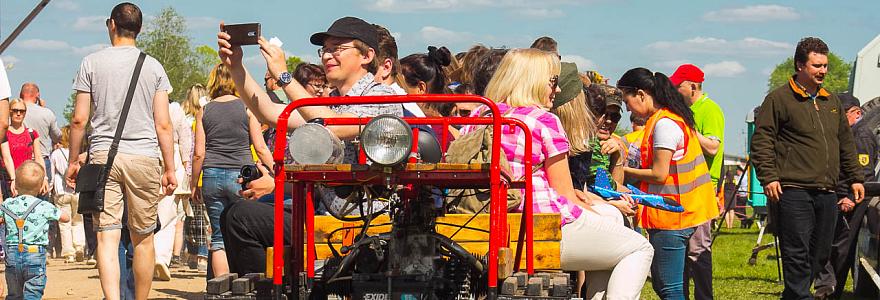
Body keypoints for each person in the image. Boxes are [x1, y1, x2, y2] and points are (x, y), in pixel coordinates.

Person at [215, 16, 404, 275]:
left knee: (240, 218)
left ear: (367, 55)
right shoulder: (331, 101)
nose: (327, 56)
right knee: (236, 216)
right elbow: (269, 112)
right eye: (325, 49)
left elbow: (333, 126)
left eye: (337, 48)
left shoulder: (381, 96)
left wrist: (284, 76)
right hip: (326, 218)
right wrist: (235, 66)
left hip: (367, 220)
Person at [461, 49, 653, 299]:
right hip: (539, 228)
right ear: (533, 82)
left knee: (611, 223)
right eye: (553, 82)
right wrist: (599, 217)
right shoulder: (543, 121)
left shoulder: (479, 117)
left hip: (483, 223)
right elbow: (565, 195)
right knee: (639, 248)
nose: (558, 90)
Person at [66, 3, 177, 299]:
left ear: (111, 25)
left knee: (107, 236)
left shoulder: (91, 62)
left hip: (103, 157)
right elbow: (163, 124)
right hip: (144, 156)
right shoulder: (153, 66)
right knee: (143, 238)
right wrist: (169, 168)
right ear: (138, 29)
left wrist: (73, 159)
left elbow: (79, 119)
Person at [751, 37, 864, 300]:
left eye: (825, 65)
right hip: (792, 190)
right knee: (796, 251)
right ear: (800, 65)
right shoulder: (779, 99)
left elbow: (845, 144)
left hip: (827, 190)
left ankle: (793, 296)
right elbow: (762, 140)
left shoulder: (832, 102)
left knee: (821, 253)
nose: (823, 71)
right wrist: (768, 176)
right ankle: (801, 296)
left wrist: (855, 178)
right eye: (817, 65)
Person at [618, 67, 719, 299]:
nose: (627, 110)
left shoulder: (664, 125)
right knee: (672, 284)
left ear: (641, 94)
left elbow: (659, 173)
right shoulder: (667, 119)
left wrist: (622, 171)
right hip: (680, 213)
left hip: (672, 218)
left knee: (669, 287)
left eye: (627, 101)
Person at [191, 63, 274, 278]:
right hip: (241, 176)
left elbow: (199, 153)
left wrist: (194, 183)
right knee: (241, 230)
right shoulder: (247, 108)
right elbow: (260, 147)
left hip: (211, 176)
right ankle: (242, 283)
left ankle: (220, 288)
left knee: (218, 236)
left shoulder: (204, 110)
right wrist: (276, 171)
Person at [669, 63, 725, 300]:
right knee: (684, 251)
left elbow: (713, 146)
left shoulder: (709, 109)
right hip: (686, 187)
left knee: (698, 250)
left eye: (678, 86)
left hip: (703, 187)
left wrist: (689, 130)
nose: (675, 90)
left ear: (692, 86)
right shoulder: (687, 109)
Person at [813, 93, 876, 299]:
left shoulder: (861, 136)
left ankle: (832, 293)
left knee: (841, 250)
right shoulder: (846, 133)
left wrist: (850, 196)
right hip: (837, 197)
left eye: (841, 114)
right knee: (829, 245)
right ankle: (827, 289)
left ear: (856, 113)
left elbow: (864, 174)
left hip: (852, 200)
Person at [2, 160, 70, 300]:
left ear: (16, 185)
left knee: (14, 294)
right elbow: (65, 218)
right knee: (33, 292)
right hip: (35, 254)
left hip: (12, 255)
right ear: (40, 188)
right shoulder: (44, 206)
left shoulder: (8, 204)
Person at [181, 85, 209, 272]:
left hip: (191, 171)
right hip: (208, 169)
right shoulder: (208, 118)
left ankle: (194, 254)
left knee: (192, 217)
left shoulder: (184, 121)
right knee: (207, 218)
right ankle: (203, 255)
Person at [52, 126, 85, 263]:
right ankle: (79, 247)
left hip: (61, 191)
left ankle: (68, 252)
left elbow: (52, 174)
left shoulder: (55, 154)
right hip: (77, 190)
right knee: (78, 221)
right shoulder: (79, 153)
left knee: (64, 223)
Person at [19, 83, 62, 188]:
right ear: (37, 96)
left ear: (21, 95)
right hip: (42, 160)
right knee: (42, 198)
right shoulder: (47, 113)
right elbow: (57, 136)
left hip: (20, 160)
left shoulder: (14, 113)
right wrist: (43, 108)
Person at [6, 99, 48, 194]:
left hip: (27, 181)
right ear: (9, 111)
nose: (18, 113)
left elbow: (38, 157)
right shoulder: (4, 133)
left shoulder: (32, 133)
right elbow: (6, 157)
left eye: (22, 111)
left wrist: (44, 177)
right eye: (15, 110)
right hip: (8, 180)